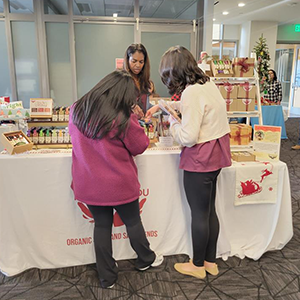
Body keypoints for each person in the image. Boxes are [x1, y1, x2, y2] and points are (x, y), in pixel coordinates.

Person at [69, 69, 163, 289]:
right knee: (132, 221)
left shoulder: (77, 109)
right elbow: (140, 146)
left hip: (89, 183)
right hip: (119, 184)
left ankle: (107, 277)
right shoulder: (121, 117)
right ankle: (145, 260)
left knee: (101, 226)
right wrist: (135, 119)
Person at [149, 46, 231, 279]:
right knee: (209, 211)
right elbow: (196, 109)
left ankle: (196, 266)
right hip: (215, 155)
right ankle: (209, 261)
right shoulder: (207, 84)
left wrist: (171, 122)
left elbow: (188, 137)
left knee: (198, 213)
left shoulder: (190, 93)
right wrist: (167, 106)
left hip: (200, 159)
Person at [123, 43, 154, 118]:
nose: (138, 65)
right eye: (134, 61)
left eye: (141, 62)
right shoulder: (121, 80)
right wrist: (132, 106)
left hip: (142, 124)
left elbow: (145, 106)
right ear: (128, 60)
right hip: (126, 125)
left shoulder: (145, 82)